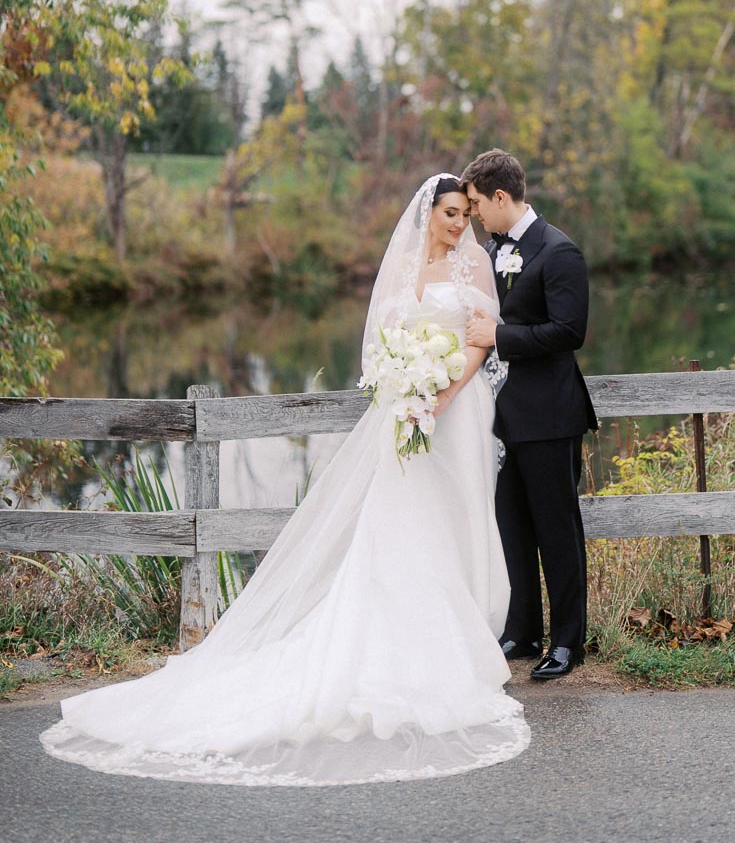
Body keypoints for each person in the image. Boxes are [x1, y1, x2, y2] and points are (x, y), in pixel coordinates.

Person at [40, 175, 529, 785]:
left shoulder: (476, 264)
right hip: (406, 411)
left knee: (460, 516)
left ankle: (468, 633)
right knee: (403, 520)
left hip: (457, 414)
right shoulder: (402, 265)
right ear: (428, 214)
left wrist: (444, 393)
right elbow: (380, 344)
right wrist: (404, 387)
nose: (460, 223)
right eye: (450, 213)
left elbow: (481, 343)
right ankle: (402, 637)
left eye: (465, 213)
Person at [461, 149, 596, 680]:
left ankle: (567, 643)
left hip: (549, 415)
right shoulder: (492, 250)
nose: (474, 215)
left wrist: (499, 337)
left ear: (500, 197)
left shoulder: (559, 252)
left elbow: (570, 332)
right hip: (501, 418)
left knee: (557, 531)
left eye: (477, 205)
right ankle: (523, 629)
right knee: (511, 526)